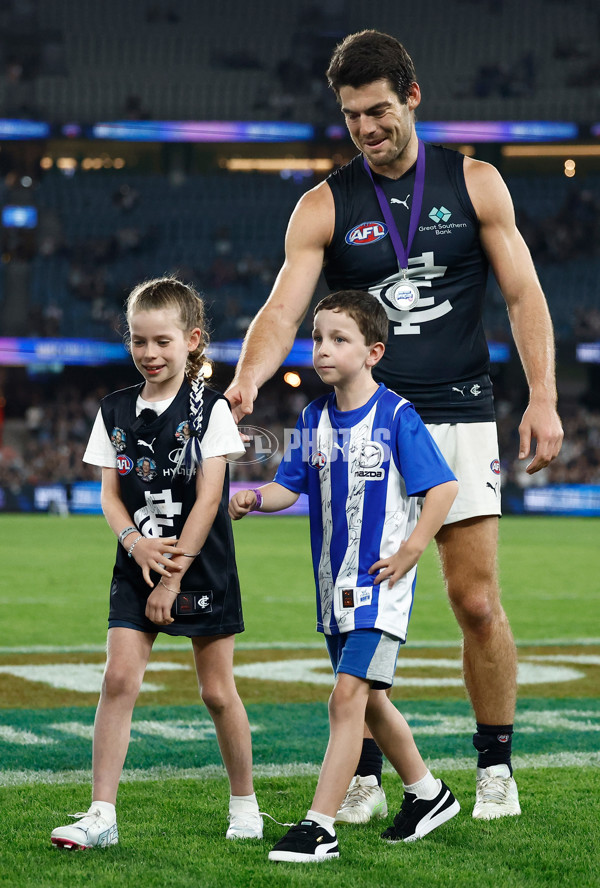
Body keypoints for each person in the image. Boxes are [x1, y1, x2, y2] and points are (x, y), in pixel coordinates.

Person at [225, 30, 564, 822]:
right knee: (355, 606)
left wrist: (541, 394)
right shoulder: (324, 203)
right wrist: (246, 379)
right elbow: (284, 307)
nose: (367, 129)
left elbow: (524, 294)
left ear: (413, 97)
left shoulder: (475, 183)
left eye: (379, 111)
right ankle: (369, 774)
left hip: (458, 415)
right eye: (352, 118)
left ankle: (494, 769)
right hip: (361, 427)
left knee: (475, 600)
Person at [230, 290, 459, 862]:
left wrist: (411, 548)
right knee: (373, 702)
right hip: (334, 589)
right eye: (318, 338)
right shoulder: (312, 418)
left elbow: (445, 487)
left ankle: (319, 826)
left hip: (380, 587)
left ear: (373, 351)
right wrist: (256, 496)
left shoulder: (397, 416)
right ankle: (429, 795)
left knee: (346, 698)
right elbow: (292, 485)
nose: (324, 349)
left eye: (340, 339)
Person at [51, 277, 262, 850]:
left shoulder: (210, 409)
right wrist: (133, 542)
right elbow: (109, 494)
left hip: (200, 566)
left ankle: (245, 804)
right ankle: (101, 815)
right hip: (135, 562)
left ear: (192, 341)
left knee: (217, 692)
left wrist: (172, 576)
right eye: (139, 341)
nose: (149, 353)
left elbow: (212, 498)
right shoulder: (113, 409)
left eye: (162, 342)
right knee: (118, 678)